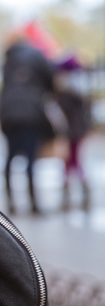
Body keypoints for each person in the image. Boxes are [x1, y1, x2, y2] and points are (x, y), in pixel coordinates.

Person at [0, 32, 56, 214]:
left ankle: (11, 203)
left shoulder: (8, 59)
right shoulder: (37, 55)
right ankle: (33, 204)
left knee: (9, 158)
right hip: (31, 113)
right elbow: (50, 81)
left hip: (8, 113)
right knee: (30, 160)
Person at [56, 55, 92, 211]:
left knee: (71, 163)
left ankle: (69, 198)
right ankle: (80, 195)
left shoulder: (66, 90)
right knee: (73, 162)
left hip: (69, 132)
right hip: (78, 131)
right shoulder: (82, 88)